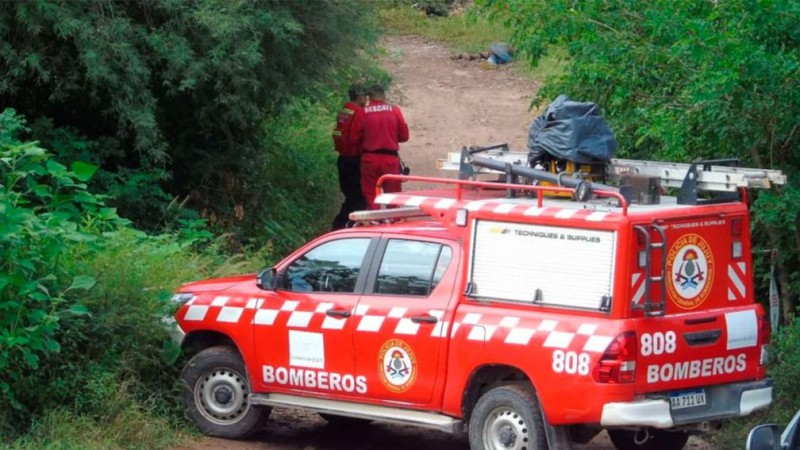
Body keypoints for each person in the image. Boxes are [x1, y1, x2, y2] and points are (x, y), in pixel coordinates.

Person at [350, 84, 409, 209]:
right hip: (390, 160)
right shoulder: (394, 110)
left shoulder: (362, 112)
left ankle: (373, 221)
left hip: (369, 159)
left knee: (371, 195)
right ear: (384, 96)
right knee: (393, 196)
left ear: (370, 97)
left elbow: (353, 139)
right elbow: (404, 136)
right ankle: (392, 222)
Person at [331, 84, 368, 230]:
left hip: (343, 158)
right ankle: (342, 227)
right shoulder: (359, 113)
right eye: (364, 96)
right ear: (359, 97)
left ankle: (341, 226)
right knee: (358, 198)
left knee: (350, 196)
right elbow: (355, 138)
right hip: (354, 160)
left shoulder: (344, 110)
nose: (366, 99)